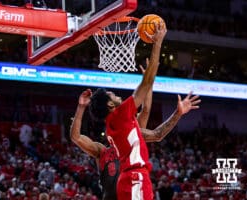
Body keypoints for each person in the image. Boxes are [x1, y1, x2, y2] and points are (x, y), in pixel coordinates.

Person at [71, 88, 200, 200]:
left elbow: (153, 125)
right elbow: (76, 137)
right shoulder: (102, 151)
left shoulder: (132, 137)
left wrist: (149, 85)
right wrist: (81, 107)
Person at [86, 21, 167, 200]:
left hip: (133, 178)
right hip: (134, 178)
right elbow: (145, 84)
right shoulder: (119, 115)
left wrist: (149, 82)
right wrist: (157, 42)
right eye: (111, 94)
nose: (116, 95)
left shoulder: (115, 123)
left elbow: (145, 108)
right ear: (109, 105)